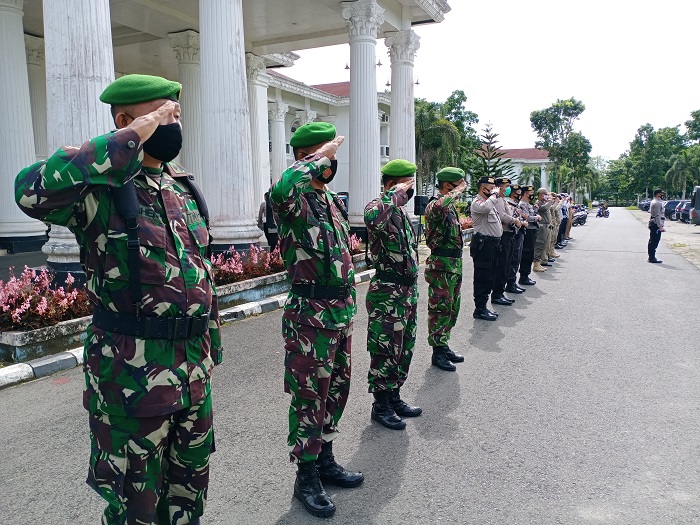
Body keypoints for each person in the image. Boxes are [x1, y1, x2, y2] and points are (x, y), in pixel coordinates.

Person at [15, 74, 221, 525]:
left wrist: (211, 351)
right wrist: (128, 140)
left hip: (192, 372)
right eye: (162, 114)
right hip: (132, 382)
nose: (173, 123)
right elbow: (28, 190)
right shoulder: (97, 188)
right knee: (136, 508)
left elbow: (198, 275)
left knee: (188, 497)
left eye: (177, 115)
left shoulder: (181, 188)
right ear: (126, 120)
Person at [269, 122, 363, 519]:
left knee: (336, 391)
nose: (332, 163)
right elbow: (282, 187)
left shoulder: (332, 201)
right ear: (308, 157)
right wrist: (314, 159)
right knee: (310, 397)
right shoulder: (294, 200)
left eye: (332, 157)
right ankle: (305, 476)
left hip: (340, 313)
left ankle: (325, 458)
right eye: (327, 155)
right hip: (309, 318)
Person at [364, 159, 421, 430]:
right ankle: (381, 404)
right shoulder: (379, 206)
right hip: (387, 292)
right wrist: (394, 193)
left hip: (406, 291)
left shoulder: (400, 213)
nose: (409, 192)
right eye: (406, 185)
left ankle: (394, 395)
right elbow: (372, 217)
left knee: (403, 347)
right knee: (385, 349)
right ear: (391, 184)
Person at [424, 167, 468, 370]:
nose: (463, 187)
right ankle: (438, 352)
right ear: (449, 185)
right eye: (459, 183)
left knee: (452, 308)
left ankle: (444, 343)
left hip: (453, 265)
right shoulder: (435, 205)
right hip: (441, 267)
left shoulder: (449, 208)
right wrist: (456, 192)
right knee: (440, 309)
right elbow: (440, 206)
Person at [470, 176, 503, 321]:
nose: (494, 191)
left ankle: (484, 307)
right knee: (482, 277)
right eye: (491, 188)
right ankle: (480, 309)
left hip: (493, 245)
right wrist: (494, 195)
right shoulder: (477, 202)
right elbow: (486, 208)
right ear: (483, 189)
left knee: (490, 277)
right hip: (484, 245)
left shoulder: (489, 202)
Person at [492, 177, 522, 304]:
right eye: (506, 186)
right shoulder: (497, 199)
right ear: (499, 187)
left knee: (507, 264)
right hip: (504, 235)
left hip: (509, 234)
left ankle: (501, 292)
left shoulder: (503, 199)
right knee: (502, 266)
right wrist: (514, 220)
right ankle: (497, 294)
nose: (508, 188)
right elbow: (503, 216)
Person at [505, 185, 526, 294]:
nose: (519, 195)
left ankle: (513, 282)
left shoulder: (516, 204)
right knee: (513, 260)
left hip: (519, 232)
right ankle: (510, 284)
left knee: (517, 258)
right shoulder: (509, 203)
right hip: (513, 234)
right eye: (518, 193)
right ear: (512, 193)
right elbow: (511, 219)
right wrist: (522, 222)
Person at [517, 185, 540, 285]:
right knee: (526, 254)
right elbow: (527, 217)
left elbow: (530, 215)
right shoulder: (522, 204)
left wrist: (535, 211)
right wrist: (537, 217)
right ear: (526, 194)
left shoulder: (529, 204)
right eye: (531, 193)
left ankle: (526, 275)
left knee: (530, 254)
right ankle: (523, 276)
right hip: (527, 231)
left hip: (532, 230)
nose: (532, 195)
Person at [533, 188, 553, 271]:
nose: (547, 196)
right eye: (546, 194)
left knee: (544, 245)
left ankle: (539, 262)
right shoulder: (538, 203)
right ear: (541, 195)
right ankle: (536, 264)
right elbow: (544, 209)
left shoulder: (544, 203)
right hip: (541, 227)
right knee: (539, 245)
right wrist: (550, 201)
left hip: (546, 226)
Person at [648, 188, 666, 263]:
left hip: (654, 222)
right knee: (654, 241)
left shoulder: (654, 201)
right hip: (655, 224)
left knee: (652, 240)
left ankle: (651, 257)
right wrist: (660, 226)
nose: (662, 195)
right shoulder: (657, 203)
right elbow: (658, 215)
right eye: (661, 194)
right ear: (658, 194)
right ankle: (652, 258)